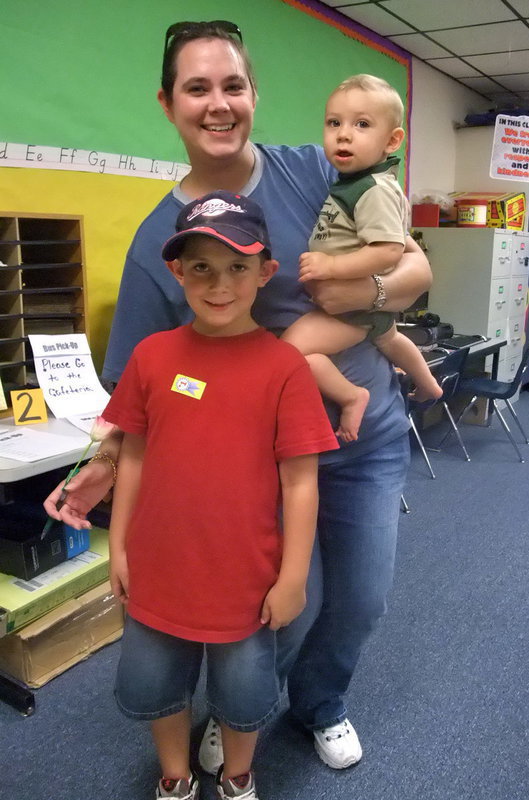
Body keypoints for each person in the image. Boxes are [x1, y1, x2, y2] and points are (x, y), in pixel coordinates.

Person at [44, 20, 432, 779]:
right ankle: (241, 714)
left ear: (254, 94)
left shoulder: (318, 168)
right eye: (197, 88)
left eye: (232, 86)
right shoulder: (157, 242)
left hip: (366, 436)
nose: (217, 104)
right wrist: (105, 462)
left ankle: (320, 704)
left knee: (360, 599)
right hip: (258, 464)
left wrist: (362, 297)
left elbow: (415, 271)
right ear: (168, 104)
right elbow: (143, 387)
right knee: (279, 608)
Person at [101, 190, 339, 800]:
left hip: (245, 578)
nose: (219, 283)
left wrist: (293, 578)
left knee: (243, 693)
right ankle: (175, 776)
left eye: (237, 266)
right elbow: (133, 455)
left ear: (265, 272)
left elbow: (301, 481)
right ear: (177, 271)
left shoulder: (285, 368)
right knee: (156, 683)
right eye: (201, 266)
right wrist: (118, 547)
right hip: (159, 567)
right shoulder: (152, 356)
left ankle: (237, 778)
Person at [282, 74, 442, 442]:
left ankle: (351, 396)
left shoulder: (372, 189)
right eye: (333, 123)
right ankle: (428, 383)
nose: (343, 135)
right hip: (365, 310)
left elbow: (389, 250)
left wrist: (332, 266)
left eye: (362, 125)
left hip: (352, 310)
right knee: (390, 339)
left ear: (392, 140)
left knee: (289, 353)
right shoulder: (357, 182)